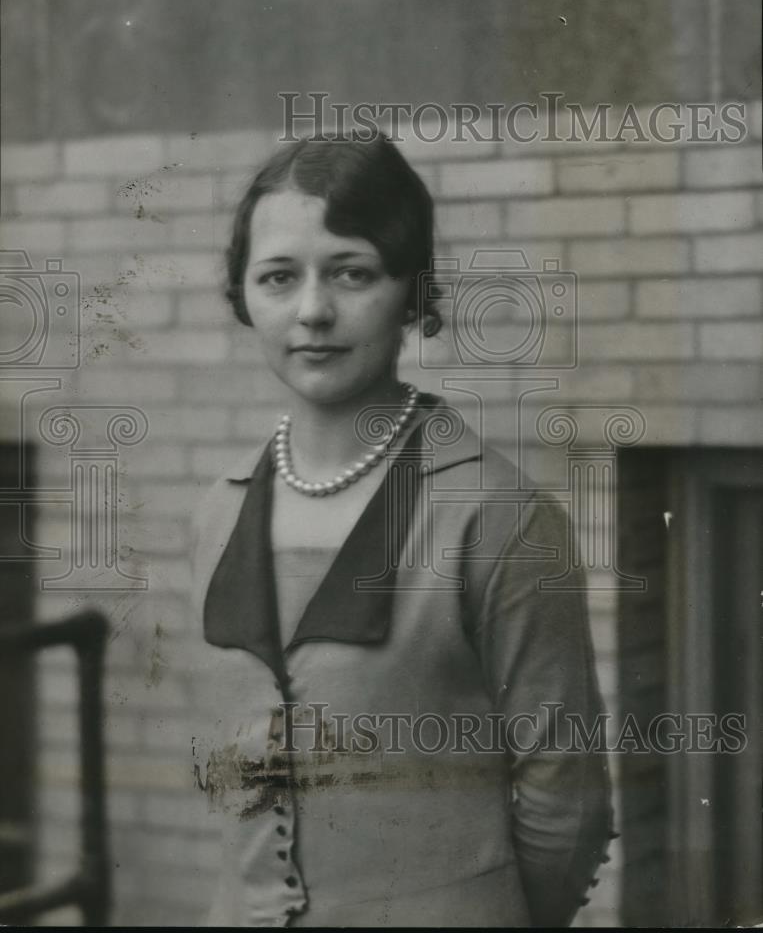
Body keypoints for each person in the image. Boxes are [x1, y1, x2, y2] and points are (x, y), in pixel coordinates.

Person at [190, 131, 613, 927]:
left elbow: (568, 806)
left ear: (413, 295)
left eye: (352, 272)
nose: (313, 310)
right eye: (278, 277)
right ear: (243, 296)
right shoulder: (217, 512)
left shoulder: (498, 518)